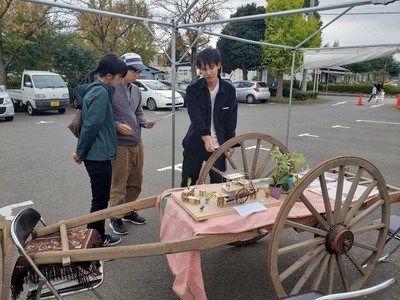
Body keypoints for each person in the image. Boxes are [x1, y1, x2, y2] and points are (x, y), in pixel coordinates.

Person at [72, 53, 127, 247]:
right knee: (100, 201)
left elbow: (95, 124)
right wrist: (80, 151)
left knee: (100, 199)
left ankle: (94, 237)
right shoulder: (102, 93)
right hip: (98, 156)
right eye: (120, 76)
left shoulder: (97, 90)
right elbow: (91, 126)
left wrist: (81, 151)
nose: (121, 81)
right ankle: (96, 240)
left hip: (97, 154)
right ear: (110, 75)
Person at [108, 53, 155, 235]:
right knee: (118, 183)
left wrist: (145, 122)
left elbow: (138, 113)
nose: (137, 74)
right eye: (134, 70)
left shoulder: (136, 90)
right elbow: (104, 118)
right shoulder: (111, 88)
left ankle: (128, 212)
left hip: (137, 141)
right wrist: (117, 126)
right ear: (123, 69)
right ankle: (115, 217)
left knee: (136, 181)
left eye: (139, 71)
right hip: (119, 145)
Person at [180, 47, 238, 187]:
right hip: (195, 143)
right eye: (204, 69)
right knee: (188, 183)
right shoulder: (193, 89)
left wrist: (231, 142)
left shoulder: (229, 90)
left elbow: (231, 118)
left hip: (218, 146)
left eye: (211, 67)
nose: (208, 73)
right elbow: (195, 116)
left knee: (218, 185)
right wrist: (205, 136)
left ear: (218, 65)